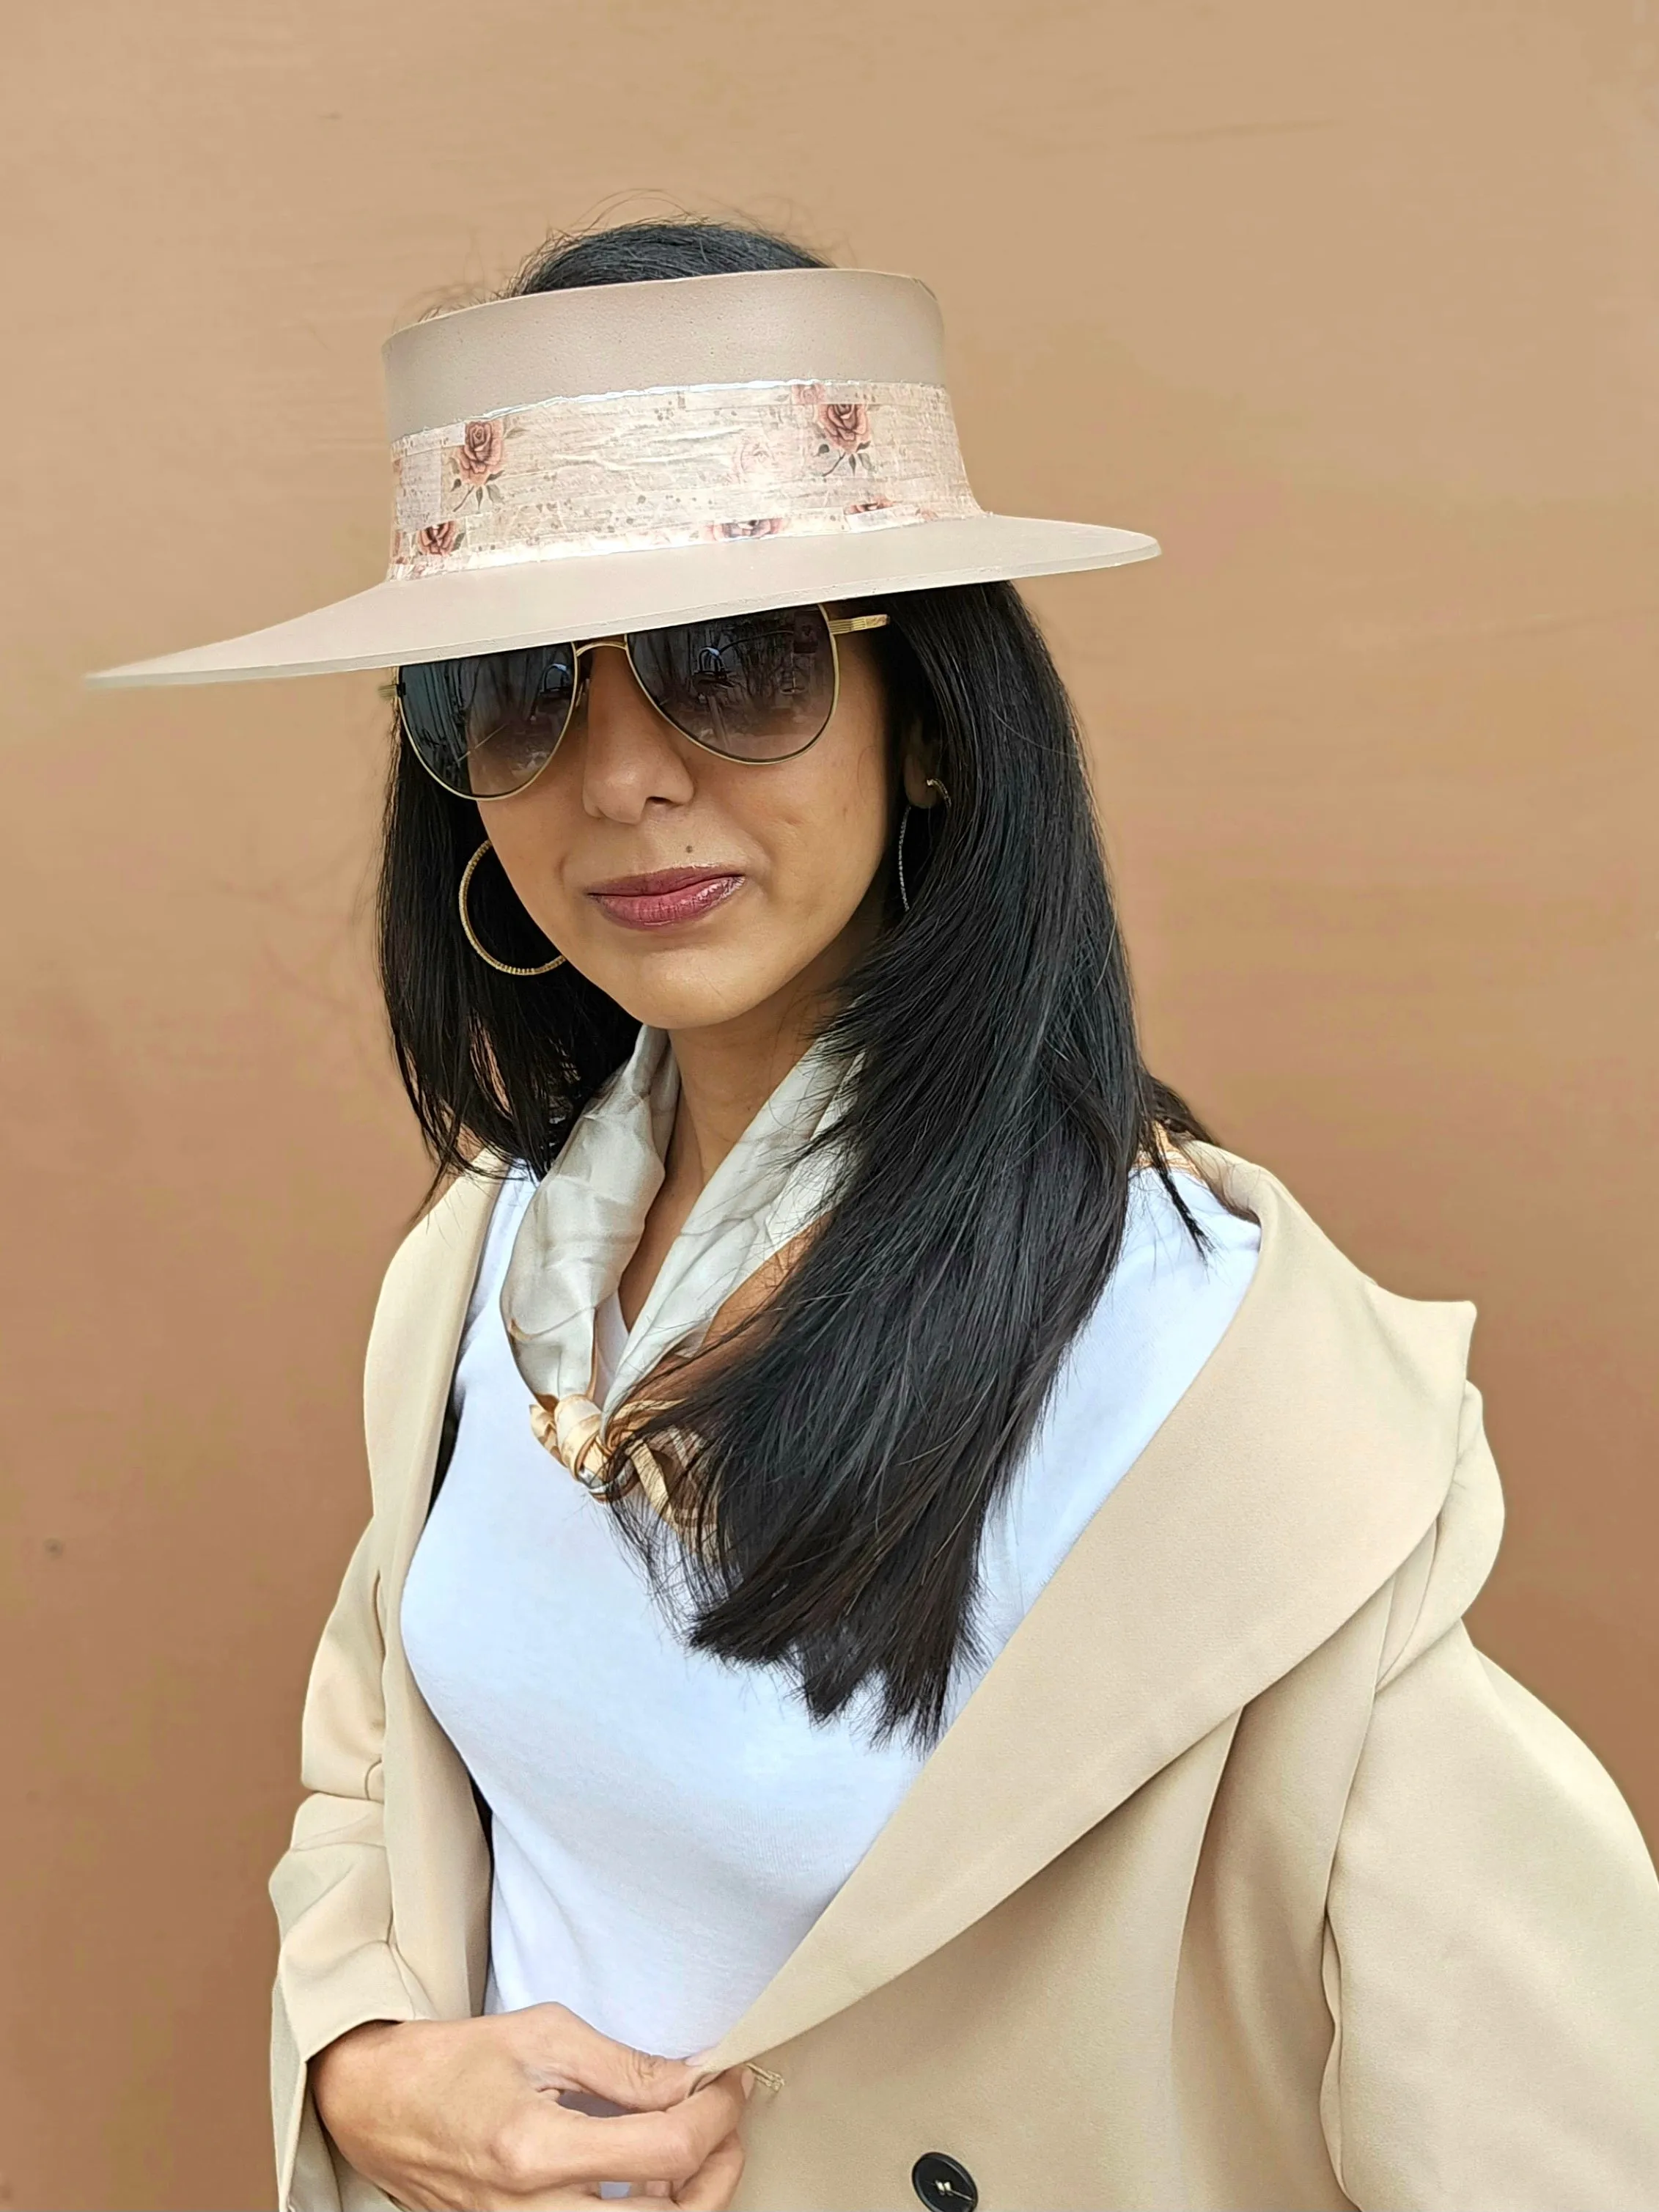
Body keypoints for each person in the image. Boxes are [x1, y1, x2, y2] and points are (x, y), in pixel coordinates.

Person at [92, 219, 1659, 2212]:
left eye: (733, 669)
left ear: (924, 718)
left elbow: (1545, 2123)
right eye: (515, 694)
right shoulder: (487, 1265)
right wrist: (368, 2067)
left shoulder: (1192, 1381)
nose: (626, 779)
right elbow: (376, 1765)